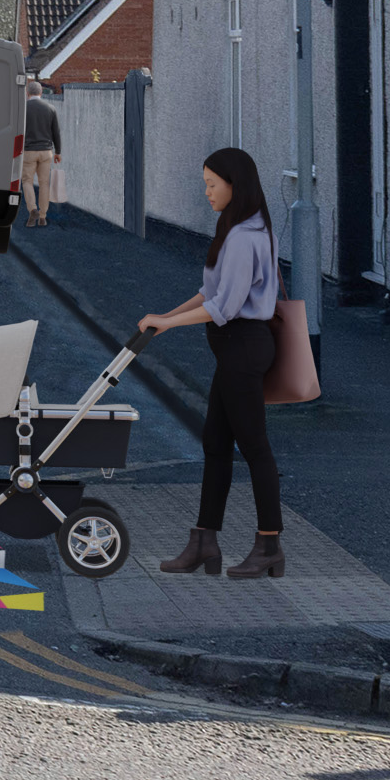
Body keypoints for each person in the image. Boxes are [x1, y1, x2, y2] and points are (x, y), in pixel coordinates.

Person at [134, 144, 284, 579]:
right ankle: (204, 542)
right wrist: (165, 317)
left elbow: (225, 307)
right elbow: (208, 293)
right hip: (235, 350)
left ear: (234, 186)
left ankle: (269, 544)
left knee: (254, 447)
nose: (207, 192)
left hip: (243, 347)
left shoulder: (243, 238)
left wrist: (173, 324)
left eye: (211, 184)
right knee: (216, 446)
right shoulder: (237, 228)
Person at [18, 81, 65, 227]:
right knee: (44, 183)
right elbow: (56, 132)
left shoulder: (23, 109)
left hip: (28, 152)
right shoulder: (50, 108)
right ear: (41, 92)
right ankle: (43, 217)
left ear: (27, 93)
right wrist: (58, 151)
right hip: (46, 152)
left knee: (27, 181)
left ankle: (32, 209)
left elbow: (18, 131)